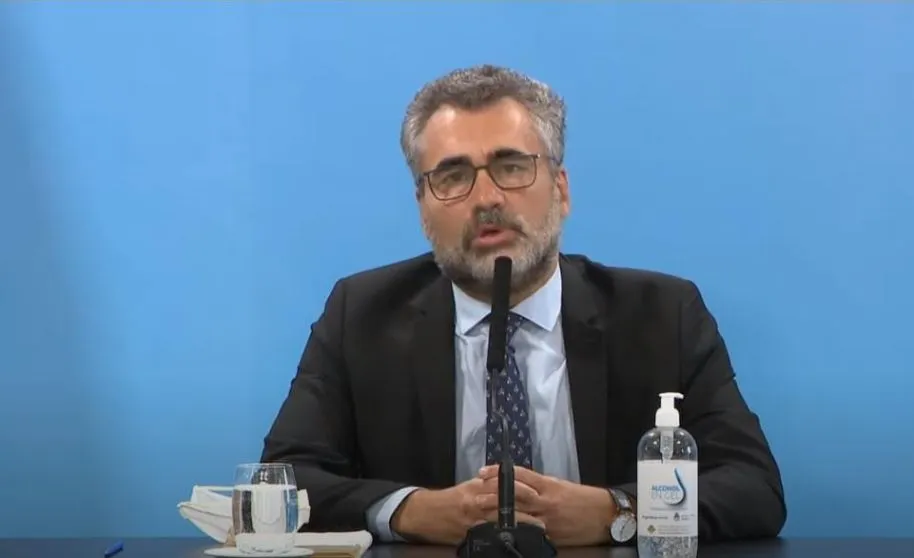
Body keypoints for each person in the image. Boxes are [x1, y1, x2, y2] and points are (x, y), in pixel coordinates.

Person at [260, 64, 786, 547]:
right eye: (453, 176)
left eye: (511, 166)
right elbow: (282, 482)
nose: (486, 198)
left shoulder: (662, 315)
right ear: (422, 208)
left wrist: (617, 511)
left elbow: (753, 486)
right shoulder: (361, 316)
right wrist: (413, 511)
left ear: (561, 189)